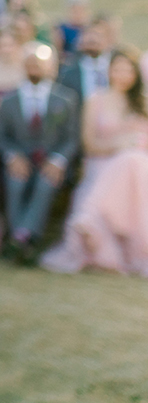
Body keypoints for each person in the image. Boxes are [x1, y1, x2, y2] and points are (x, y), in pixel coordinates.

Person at [41, 49, 148, 274]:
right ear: (109, 71)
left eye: (128, 70)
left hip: (137, 171)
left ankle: (89, 217)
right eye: (117, 69)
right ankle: (92, 228)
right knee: (128, 158)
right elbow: (89, 145)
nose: (122, 75)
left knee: (133, 159)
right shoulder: (96, 99)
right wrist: (117, 146)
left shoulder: (143, 106)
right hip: (100, 163)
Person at [0, 43, 79, 258]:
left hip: (51, 162)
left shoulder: (66, 99)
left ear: (52, 67)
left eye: (40, 64)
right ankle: (21, 239)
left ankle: (22, 238)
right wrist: (12, 156)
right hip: (20, 161)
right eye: (30, 63)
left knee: (45, 184)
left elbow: (71, 138)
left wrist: (58, 160)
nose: (34, 68)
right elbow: (1, 137)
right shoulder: (8, 100)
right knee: (16, 182)